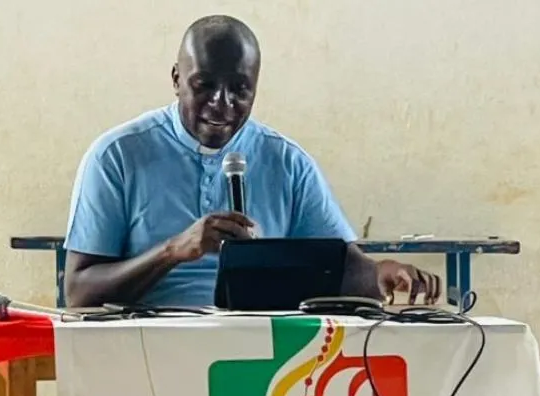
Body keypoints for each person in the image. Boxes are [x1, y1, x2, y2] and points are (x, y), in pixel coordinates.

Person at [63, 14, 440, 308]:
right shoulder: (116, 156)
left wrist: (381, 275)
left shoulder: (288, 164)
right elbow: (79, 292)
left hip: (263, 349)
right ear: (177, 79)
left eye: (240, 89)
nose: (222, 103)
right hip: (147, 351)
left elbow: (341, 268)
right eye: (204, 85)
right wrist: (173, 251)